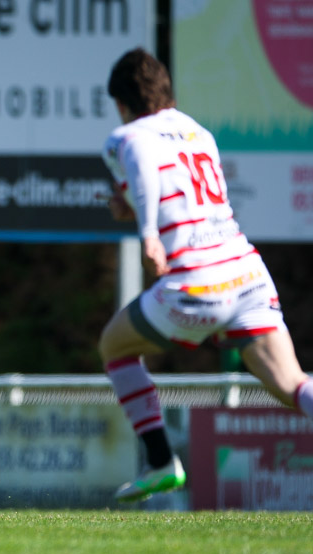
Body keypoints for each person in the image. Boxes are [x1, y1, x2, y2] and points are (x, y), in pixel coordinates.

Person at [99, 49, 313, 502]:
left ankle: (160, 463)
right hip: (248, 273)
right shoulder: (200, 132)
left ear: (122, 103)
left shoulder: (126, 136)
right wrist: (136, 210)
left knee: (115, 347)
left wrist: (148, 233)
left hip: (197, 283)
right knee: (293, 385)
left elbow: (143, 173)